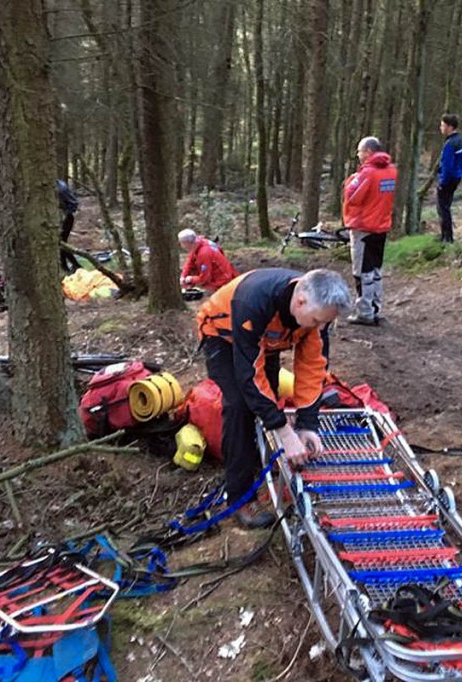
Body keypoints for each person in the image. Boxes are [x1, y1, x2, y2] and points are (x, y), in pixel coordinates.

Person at [197, 268, 352, 528]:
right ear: (301, 302)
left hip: (267, 341)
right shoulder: (255, 300)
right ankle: (240, 497)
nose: (321, 328)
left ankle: (259, 456)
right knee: (240, 405)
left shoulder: (314, 313)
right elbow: (249, 377)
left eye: (326, 323)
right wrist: (284, 431)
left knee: (269, 395)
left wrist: (307, 425)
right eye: (317, 321)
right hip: (223, 336)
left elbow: (313, 369)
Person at [343, 136, 397, 326]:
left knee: (362, 271)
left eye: (359, 151)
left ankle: (365, 311)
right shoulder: (391, 171)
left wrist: (351, 180)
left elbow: (352, 196)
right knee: (375, 270)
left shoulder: (368, 173)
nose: (358, 155)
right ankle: (375, 308)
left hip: (364, 227)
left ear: (368, 152)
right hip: (381, 226)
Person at [178, 228, 240, 293]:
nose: (181, 246)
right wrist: (183, 276)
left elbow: (204, 278)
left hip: (222, 282)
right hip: (224, 274)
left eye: (182, 243)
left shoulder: (204, 253)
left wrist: (191, 279)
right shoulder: (199, 243)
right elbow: (189, 262)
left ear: (187, 243)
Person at [437, 114, 462, 243]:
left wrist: (442, 181)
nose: (441, 128)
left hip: (448, 179)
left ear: (450, 127)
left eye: (443, 125)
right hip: (457, 177)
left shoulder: (450, 143)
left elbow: (447, 166)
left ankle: (446, 237)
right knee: (446, 207)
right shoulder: (461, 141)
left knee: (443, 208)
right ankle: (446, 236)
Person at [56, 179, 81, 273]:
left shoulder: (60, 188)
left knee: (61, 243)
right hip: (61, 217)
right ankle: (66, 266)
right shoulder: (59, 184)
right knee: (60, 243)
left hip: (65, 218)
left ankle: (75, 266)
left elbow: (73, 203)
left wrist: (64, 215)